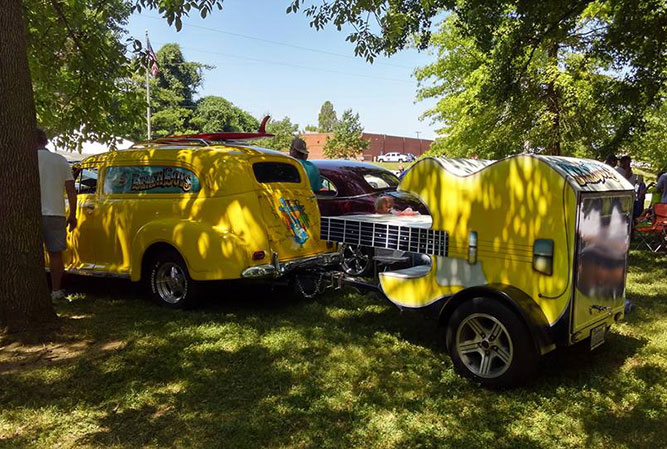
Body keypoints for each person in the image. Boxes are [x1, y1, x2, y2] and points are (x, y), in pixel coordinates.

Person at [36, 129, 77, 300]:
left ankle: (34, 291)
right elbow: (71, 190)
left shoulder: (24, 159)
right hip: (55, 212)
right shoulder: (60, 160)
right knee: (55, 254)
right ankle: (56, 290)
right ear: (45, 141)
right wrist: (73, 214)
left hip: (32, 213)